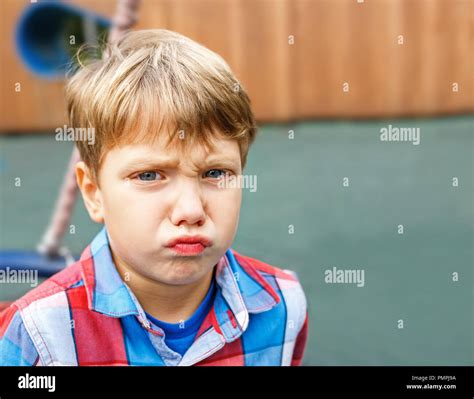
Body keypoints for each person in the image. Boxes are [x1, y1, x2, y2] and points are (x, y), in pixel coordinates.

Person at [0, 29, 308, 366]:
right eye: (149, 176)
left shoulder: (282, 305)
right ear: (93, 193)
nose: (190, 211)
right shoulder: (37, 333)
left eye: (215, 173)